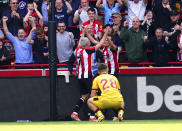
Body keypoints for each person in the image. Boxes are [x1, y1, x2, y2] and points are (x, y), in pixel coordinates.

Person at [69, 29, 109, 121]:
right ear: (87, 44)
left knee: (84, 96)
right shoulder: (88, 50)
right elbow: (101, 43)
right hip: (88, 76)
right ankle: (92, 116)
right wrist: (105, 34)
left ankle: (75, 112)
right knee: (93, 96)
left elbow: (80, 42)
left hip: (80, 77)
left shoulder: (77, 51)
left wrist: (83, 33)